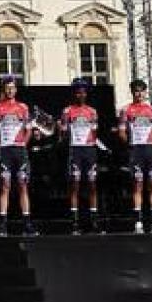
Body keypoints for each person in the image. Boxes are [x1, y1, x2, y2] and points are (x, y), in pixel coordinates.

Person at [0, 76, 41, 235]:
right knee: (5, 187)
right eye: (7, 88)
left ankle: (27, 224)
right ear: (4, 89)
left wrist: (23, 143)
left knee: (23, 186)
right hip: (5, 151)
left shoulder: (23, 108)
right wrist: (0, 144)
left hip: (20, 151)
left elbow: (29, 129)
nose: (10, 90)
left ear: (16, 90)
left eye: (13, 88)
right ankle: (3, 225)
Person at [118, 79, 152, 233]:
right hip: (136, 151)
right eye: (136, 91)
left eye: (142, 91)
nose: (139, 94)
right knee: (137, 185)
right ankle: (138, 222)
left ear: (145, 92)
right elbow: (121, 132)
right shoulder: (126, 110)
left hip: (150, 150)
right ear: (132, 92)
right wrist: (130, 144)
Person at [60, 79, 102, 232]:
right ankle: (74, 222)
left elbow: (95, 132)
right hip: (75, 150)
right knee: (75, 186)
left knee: (92, 185)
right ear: (74, 94)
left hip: (89, 150)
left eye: (83, 92)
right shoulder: (67, 111)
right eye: (78, 92)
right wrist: (61, 130)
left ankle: (94, 221)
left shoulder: (92, 111)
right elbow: (63, 134)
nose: (81, 95)